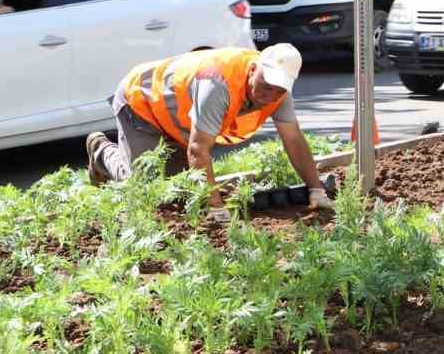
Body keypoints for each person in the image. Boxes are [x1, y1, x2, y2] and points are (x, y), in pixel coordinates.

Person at [86, 44, 334, 222]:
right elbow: (198, 149)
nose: (268, 95)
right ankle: (102, 152)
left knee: (178, 191)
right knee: (145, 188)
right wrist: (216, 207)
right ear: (253, 69)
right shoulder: (218, 85)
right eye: (265, 85)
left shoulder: (279, 92)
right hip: (141, 103)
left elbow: (294, 141)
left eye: (277, 90)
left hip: (180, 122)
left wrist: (316, 190)